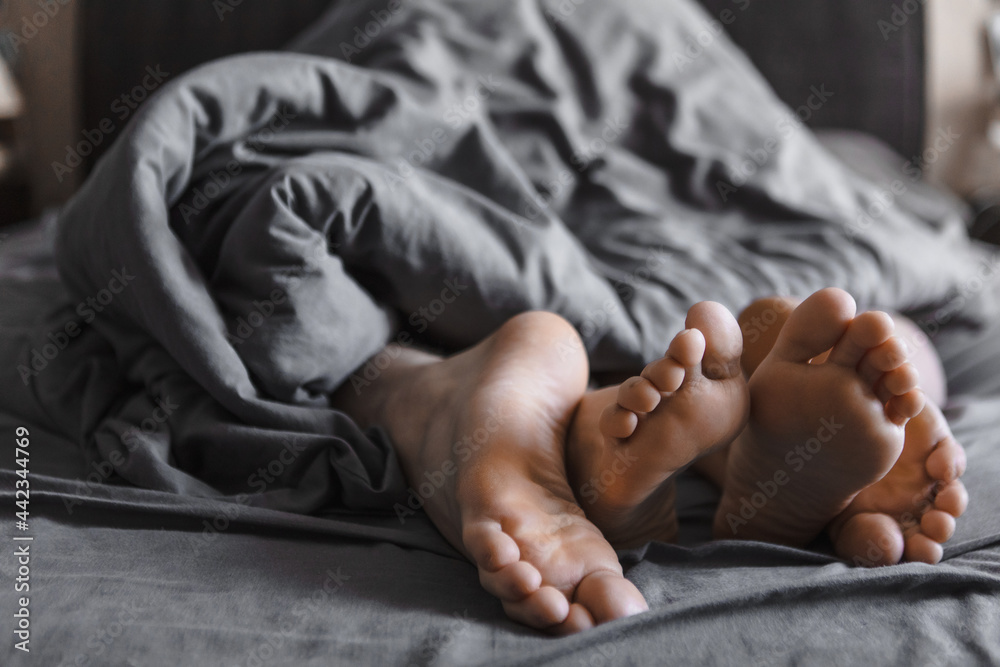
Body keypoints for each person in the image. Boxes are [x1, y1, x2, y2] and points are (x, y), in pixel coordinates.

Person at [331, 287, 967, 635]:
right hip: (635, 314)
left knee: (804, 321)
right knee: (792, 322)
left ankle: (556, 428)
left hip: (623, 346)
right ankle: (570, 432)